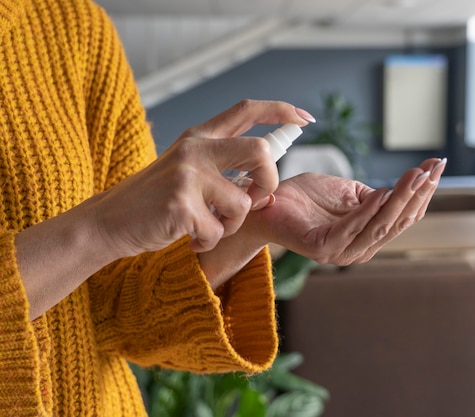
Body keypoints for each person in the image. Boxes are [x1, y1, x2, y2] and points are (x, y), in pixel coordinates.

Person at [0, 0, 447, 415]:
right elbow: (103, 237)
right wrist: (100, 229)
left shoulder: (71, 27)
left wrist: (254, 224)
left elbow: (114, 311)